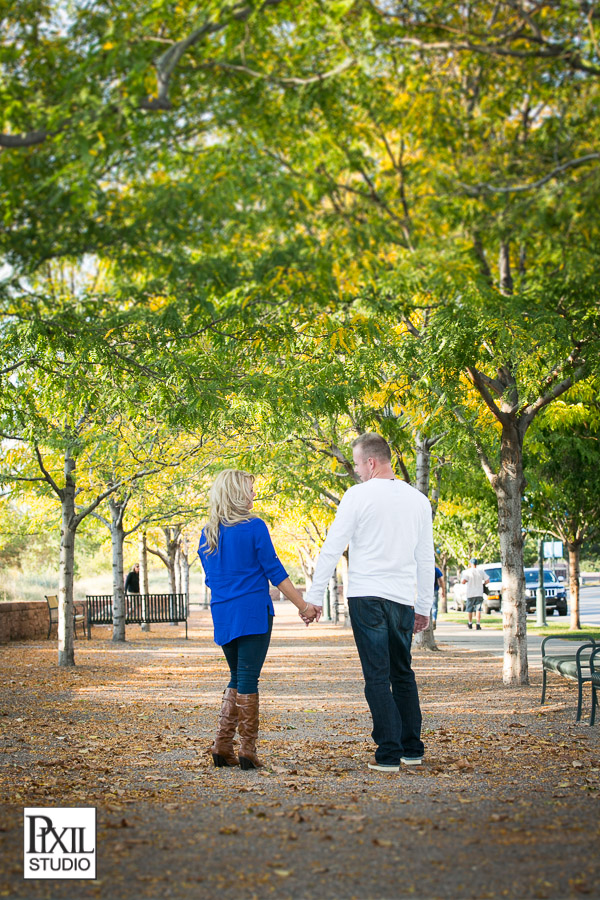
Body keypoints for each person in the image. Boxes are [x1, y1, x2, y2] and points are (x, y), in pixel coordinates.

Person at [304, 433, 434, 773]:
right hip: (403, 599)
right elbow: (425, 558)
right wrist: (424, 606)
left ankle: (389, 754)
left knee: (377, 675)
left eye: (359, 464)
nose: (359, 470)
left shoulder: (357, 496)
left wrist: (314, 597)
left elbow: (333, 546)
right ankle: (412, 749)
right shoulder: (418, 500)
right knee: (402, 673)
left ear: (372, 462)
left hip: (366, 597)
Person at [198, 469, 320, 770]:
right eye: (250, 489)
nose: (254, 494)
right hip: (252, 612)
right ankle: (248, 749)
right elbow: (275, 571)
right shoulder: (254, 527)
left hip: (223, 614)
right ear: (238, 493)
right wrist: (303, 606)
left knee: (237, 676)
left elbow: (211, 580)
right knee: (248, 677)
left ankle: (222, 745)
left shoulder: (208, 533)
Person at [460, 558, 490, 630]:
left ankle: (470, 623)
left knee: (469, 609)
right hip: (479, 592)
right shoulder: (481, 571)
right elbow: (487, 580)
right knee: (478, 609)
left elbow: (463, 581)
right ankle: (478, 624)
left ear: (470, 564)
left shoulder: (467, 572)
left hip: (470, 593)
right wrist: (482, 583)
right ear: (477, 564)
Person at [432, 564, 444, 629]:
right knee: (434, 607)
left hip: (425, 590)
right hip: (434, 590)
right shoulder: (436, 570)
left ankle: (428, 621)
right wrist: (443, 590)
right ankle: (433, 619)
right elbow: (441, 580)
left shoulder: (423, 568)